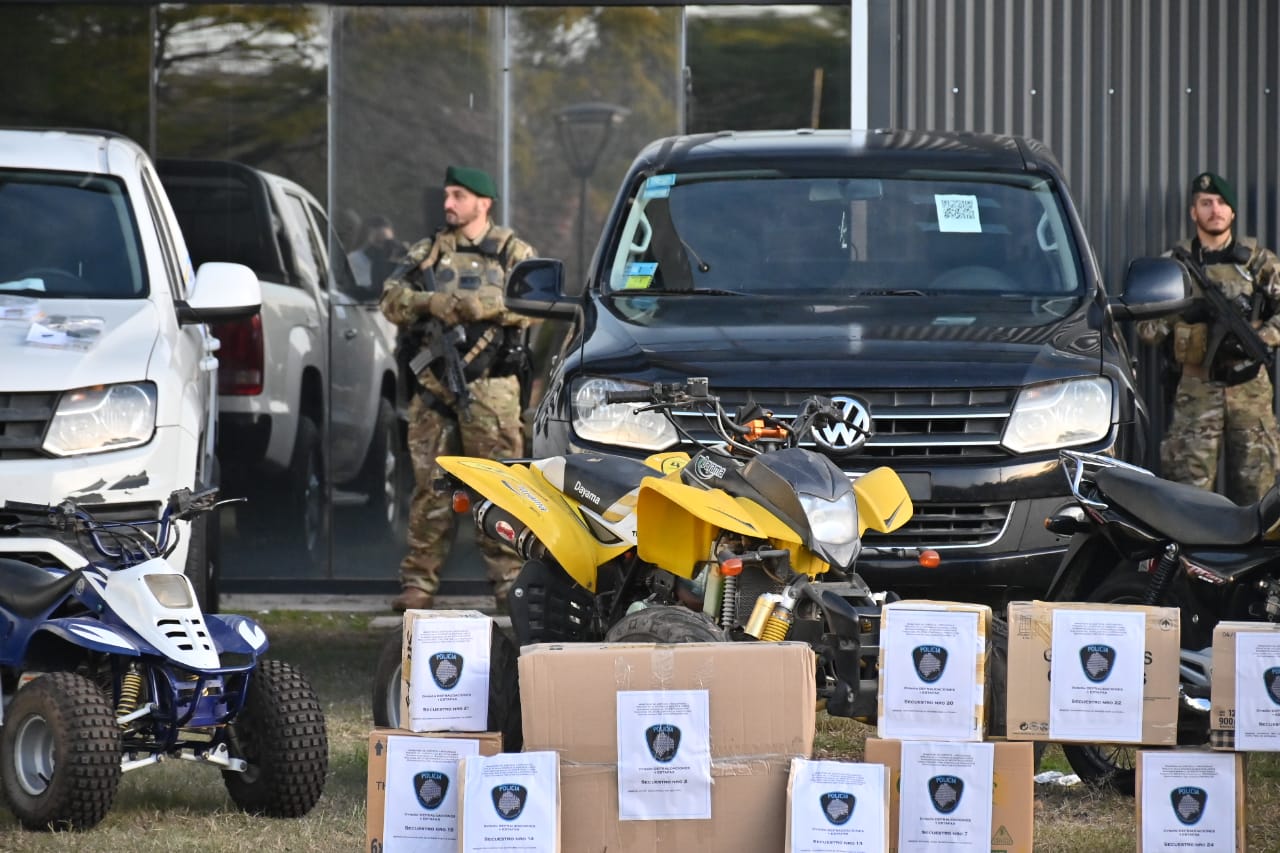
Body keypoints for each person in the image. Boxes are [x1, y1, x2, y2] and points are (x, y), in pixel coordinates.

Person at [379, 166, 536, 612]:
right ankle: (419, 583)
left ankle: (510, 582)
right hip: (434, 389)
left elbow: (536, 304)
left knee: (501, 488)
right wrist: (433, 303)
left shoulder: (512, 251)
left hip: (493, 392)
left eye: (459, 195)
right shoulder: (428, 252)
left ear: (483, 203)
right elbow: (390, 298)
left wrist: (482, 305)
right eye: (447, 194)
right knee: (431, 488)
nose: (449, 203)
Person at [1136, 171, 1280, 504]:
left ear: (1232, 212)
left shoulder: (1258, 262)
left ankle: (1259, 558)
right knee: (1188, 498)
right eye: (1205, 203)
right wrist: (1187, 313)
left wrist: (1262, 336)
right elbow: (1146, 329)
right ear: (1193, 212)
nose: (1214, 210)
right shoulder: (1175, 266)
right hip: (1195, 391)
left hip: (1251, 392)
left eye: (1221, 203)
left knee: (1260, 495)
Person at [348, 214, 406, 292]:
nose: (383, 247)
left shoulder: (400, 259)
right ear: (366, 242)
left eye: (387, 242)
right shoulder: (355, 260)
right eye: (378, 242)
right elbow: (371, 290)